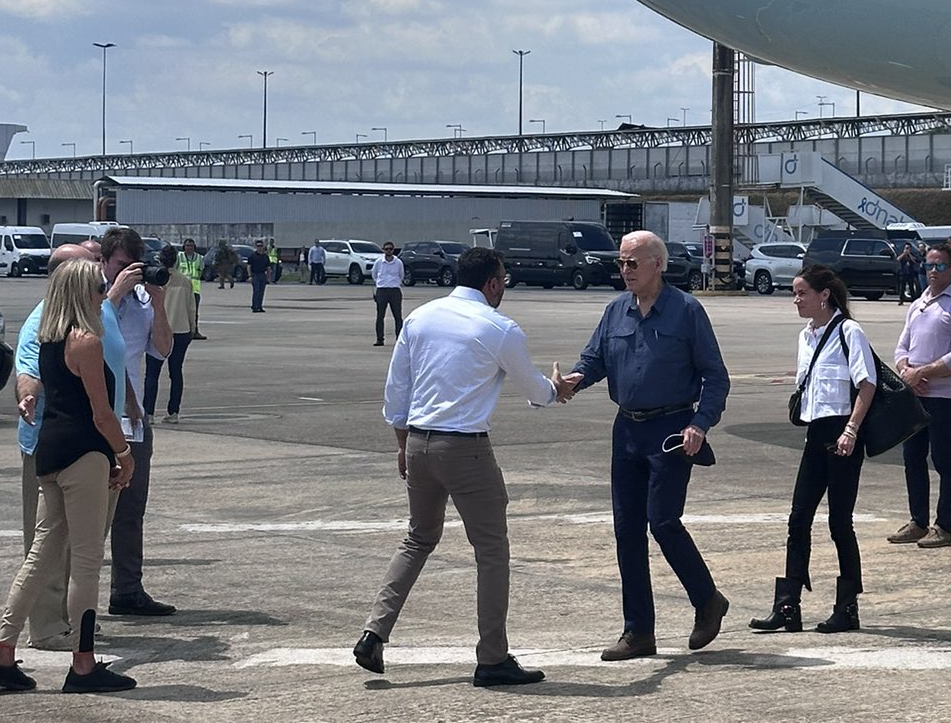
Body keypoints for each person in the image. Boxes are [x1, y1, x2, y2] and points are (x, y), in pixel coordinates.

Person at [353, 247, 555, 687]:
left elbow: (397, 390)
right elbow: (537, 393)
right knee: (491, 551)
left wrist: (402, 446)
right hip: (465, 449)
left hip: (419, 443)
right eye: (503, 281)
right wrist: (557, 388)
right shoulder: (498, 327)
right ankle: (492, 657)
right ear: (493, 283)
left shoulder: (421, 318)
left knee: (418, 538)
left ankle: (374, 632)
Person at [554, 230, 731, 659]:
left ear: (658, 264)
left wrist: (700, 424)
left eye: (632, 262)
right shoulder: (616, 310)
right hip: (627, 431)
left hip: (671, 430)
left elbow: (715, 377)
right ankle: (638, 632)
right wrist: (574, 381)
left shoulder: (686, 311)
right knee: (626, 530)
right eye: (621, 262)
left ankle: (707, 599)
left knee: (663, 520)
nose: (624, 270)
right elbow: (594, 360)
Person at [0, 257, 138, 694]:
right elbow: (101, 413)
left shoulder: (49, 338)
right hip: (84, 453)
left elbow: (33, 381)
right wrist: (124, 454)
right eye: (99, 287)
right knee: (86, 560)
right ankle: (83, 664)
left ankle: (2, 652)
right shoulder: (86, 341)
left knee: (41, 554)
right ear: (83, 293)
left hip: (50, 450)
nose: (103, 294)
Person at [750, 264, 877, 635]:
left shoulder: (849, 331)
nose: (796, 300)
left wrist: (851, 430)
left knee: (840, 523)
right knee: (798, 518)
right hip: (816, 433)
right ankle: (787, 606)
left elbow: (867, 385)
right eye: (794, 293)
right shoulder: (805, 336)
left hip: (843, 434)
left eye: (802, 293)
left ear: (824, 295)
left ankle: (847, 608)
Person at [12, 240, 123, 649]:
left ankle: (73, 623)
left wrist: (130, 403)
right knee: (53, 547)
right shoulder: (46, 321)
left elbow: (115, 365)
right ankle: (49, 628)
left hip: (94, 445)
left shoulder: (97, 312)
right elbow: (28, 370)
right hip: (67, 445)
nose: (101, 274)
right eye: (92, 267)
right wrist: (28, 395)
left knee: (79, 542)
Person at [100, 226, 175, 617]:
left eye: (135, 265)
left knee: (130, 512)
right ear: (103, 262)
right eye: (121, 264)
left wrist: (158, 304)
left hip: (132, 420)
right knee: (85, 514)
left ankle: (127, 590)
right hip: (94, 417)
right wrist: (114, 293)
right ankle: (68, 601)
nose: (129, 272)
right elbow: (88, 335)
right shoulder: (90, 294)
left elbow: (162, 350)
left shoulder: (144, 301)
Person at [889, 240, 951, 548]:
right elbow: (901, 347)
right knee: (912, 457)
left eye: (940, 265)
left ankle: (943, 526)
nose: (933, 271)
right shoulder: (918, 304)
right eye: (929, 265)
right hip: (915, 392)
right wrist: (906, 371)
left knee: (942, 458)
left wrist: (921, 373)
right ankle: (918, 521)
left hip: (946, 396)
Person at [145, 245, 194, 423]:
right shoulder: (185, 280)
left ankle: (148, 413)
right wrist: (192, 327)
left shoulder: (155, 279)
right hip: (181, 329)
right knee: (176, 372)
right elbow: (191, 307)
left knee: (152, 373)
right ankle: (173, 412)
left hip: (159, 329)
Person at [373, 241, 405, 345]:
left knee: (398, 316)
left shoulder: (398, 262)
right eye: (386, 249)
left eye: (390, 249)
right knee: (380, 316)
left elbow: (401, 275)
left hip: (394, 290)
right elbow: (374, 275)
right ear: (383, 250)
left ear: (393, 250)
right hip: (382, 290)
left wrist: (395, 283)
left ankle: (399, 339)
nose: (388, 251)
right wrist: (380, 284)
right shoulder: (379, 262)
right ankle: (380, 339)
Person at [177, 237, 207, 338]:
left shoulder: (200, 258)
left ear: (194, 247)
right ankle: (182, 331)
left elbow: (201, 271)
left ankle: (195, 331)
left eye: (191, 246)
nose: (189, 248)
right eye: (187, 246)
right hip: (181, 289)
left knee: (194, 311)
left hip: (195, 289)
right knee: (181, 311)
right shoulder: (179, 257)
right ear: (184, 247)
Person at [247, 237, 272, 313]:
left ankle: (259, 306)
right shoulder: (252, 256)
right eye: (258, 246)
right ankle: (255, 306)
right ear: (256, 247)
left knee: (261, 292)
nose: (259, 247)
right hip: (255, 275)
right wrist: (250, 276)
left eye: (261, 246)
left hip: (263, 275)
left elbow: (268, 267)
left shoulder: (265, 257)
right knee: (256, 291)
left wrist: (269, 277)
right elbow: (249, 266)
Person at [897, 239, 922, 304]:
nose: (907, 249)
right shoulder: (902, 254)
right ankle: (901, 300)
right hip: (903, 273)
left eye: (908, 248)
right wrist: (904, 254)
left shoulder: (912, 254)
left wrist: (909, 254)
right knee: (902, 287)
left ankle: (913, 300)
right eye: (906, 248)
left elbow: (915, 261)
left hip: (910, 273)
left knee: (911, 287)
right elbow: (898, 259)